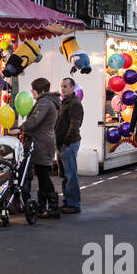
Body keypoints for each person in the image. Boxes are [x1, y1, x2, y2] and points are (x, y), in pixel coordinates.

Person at [20, 77, 61, 218]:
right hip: (43, 141)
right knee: (42, 174)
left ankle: (53, 208)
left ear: (40, 90)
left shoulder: (44, 102)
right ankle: (43, 206)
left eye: (33, 89)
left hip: (41, 143)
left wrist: (20, 128)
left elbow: (34, 121)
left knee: (44, 176)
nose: (31, 92)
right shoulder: (48, 101)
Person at [53, 77, 84, 214]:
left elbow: (74, 125)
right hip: (61, 143)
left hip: (69, 143)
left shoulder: (74, 104)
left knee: (71, 174)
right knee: (65, 175)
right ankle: (68, 201)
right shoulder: (64, 102)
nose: (63, 89)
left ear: (72, 88)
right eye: (62, 86)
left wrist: (65, 142)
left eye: (66, 86)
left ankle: (74, 204)